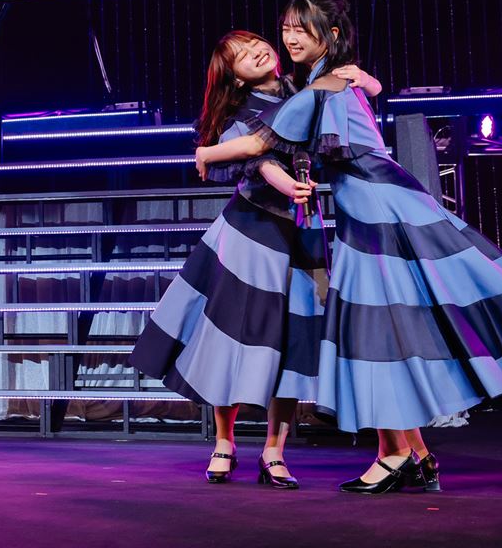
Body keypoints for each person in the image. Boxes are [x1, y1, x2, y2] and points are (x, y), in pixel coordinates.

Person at [196, 0, 502, 493]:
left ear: (330, 35)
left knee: (377, 333)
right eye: (286, 28)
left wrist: (206, 153)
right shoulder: (325, 81)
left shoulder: (324, 85)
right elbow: (275, 145)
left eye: (301, 28)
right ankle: (412, 454)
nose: (289, 37)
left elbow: (259, 143)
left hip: (380, 209)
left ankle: (398, 453)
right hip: (370, 210)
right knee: (381, 332)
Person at [131, 29, 380, 487]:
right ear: (236, 78)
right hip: (251, 231)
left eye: (256, 43)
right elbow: (258, 157)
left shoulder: (305, 89)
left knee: (294, 340)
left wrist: (364, 80)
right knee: (230, 335)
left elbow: (353, 99)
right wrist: (286, 184)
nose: (258, 51)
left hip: (303, 231)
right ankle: (224, 441)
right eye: (243, 56)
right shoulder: (241, 113)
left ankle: (274, 452)